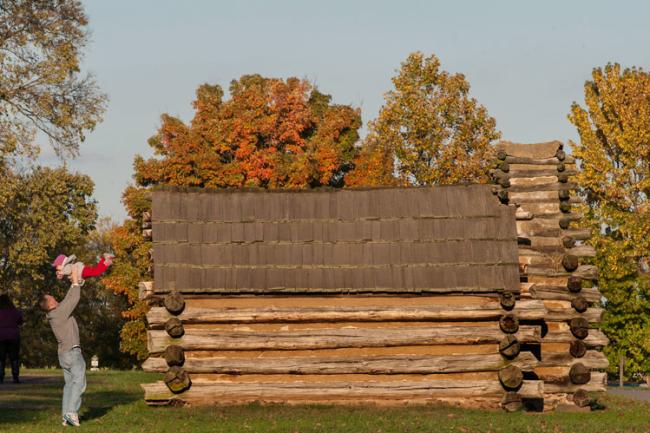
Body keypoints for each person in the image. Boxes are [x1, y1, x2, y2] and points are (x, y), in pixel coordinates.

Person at [40, 269, 85, 427]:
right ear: (50, 304)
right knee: (79, 382)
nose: (55, 298)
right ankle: (72, 412)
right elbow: (73, 300)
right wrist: (74, 282)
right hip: (72, 352)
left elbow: (67, 299)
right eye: (52, 298)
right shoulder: (59, 313)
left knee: (69, 384)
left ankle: (66, 416)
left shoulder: (56, 314)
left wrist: (74, 283)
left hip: (63, 355)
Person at [0, 294, 23, 384]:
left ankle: (0, 377)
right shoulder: (15, 311)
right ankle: (15, 377)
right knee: (14, 357)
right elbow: (20, 322)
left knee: (1, 358)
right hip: (14, 336)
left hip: (1, 336)